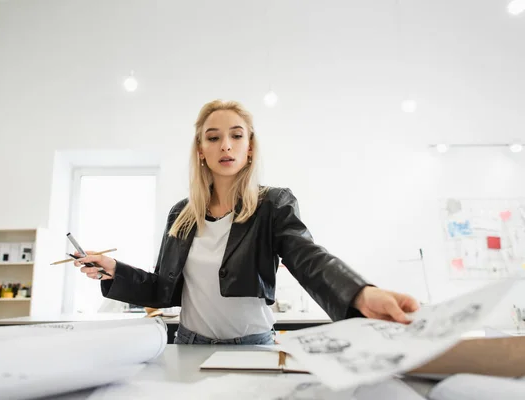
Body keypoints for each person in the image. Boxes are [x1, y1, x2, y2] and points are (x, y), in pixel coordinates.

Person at [74, 99, 420, 345]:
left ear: (250, 146)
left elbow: (307, 257)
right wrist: (115, 270)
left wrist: (359, 293)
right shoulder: (180, 214)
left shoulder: (273, 204)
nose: (226, 145)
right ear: (200, 150)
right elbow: (163, 290)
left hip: (253, 347)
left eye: (236, 135)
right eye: (213, 137)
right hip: (189, 344)